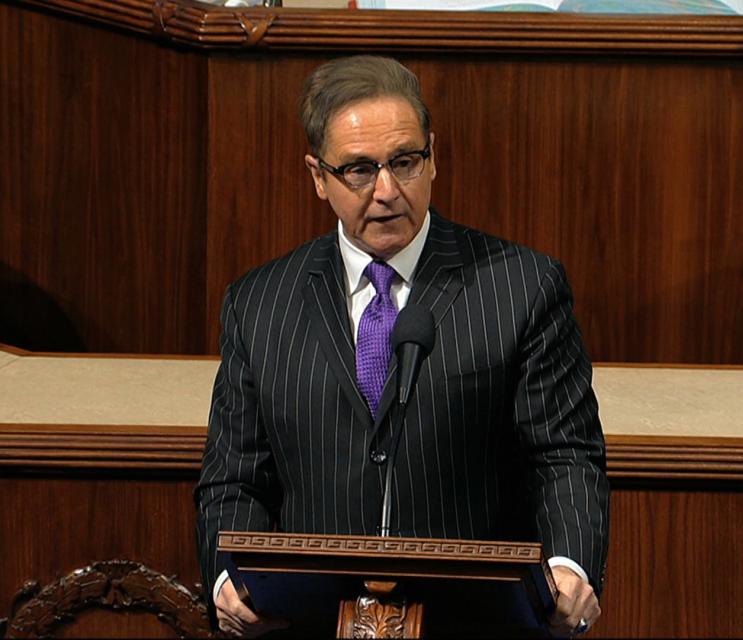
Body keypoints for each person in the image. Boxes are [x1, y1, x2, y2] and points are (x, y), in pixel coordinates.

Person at [196, 55, 609, 638]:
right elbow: (233, 479)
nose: (387, 190)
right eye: (359, 170)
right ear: (318, 176)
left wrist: (569, 565)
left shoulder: (522, 287)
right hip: (307, 624)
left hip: (474, 623)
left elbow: (564, 456)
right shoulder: (259, 304)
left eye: (405, 162)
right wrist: (225, 582)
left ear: (433, 157)